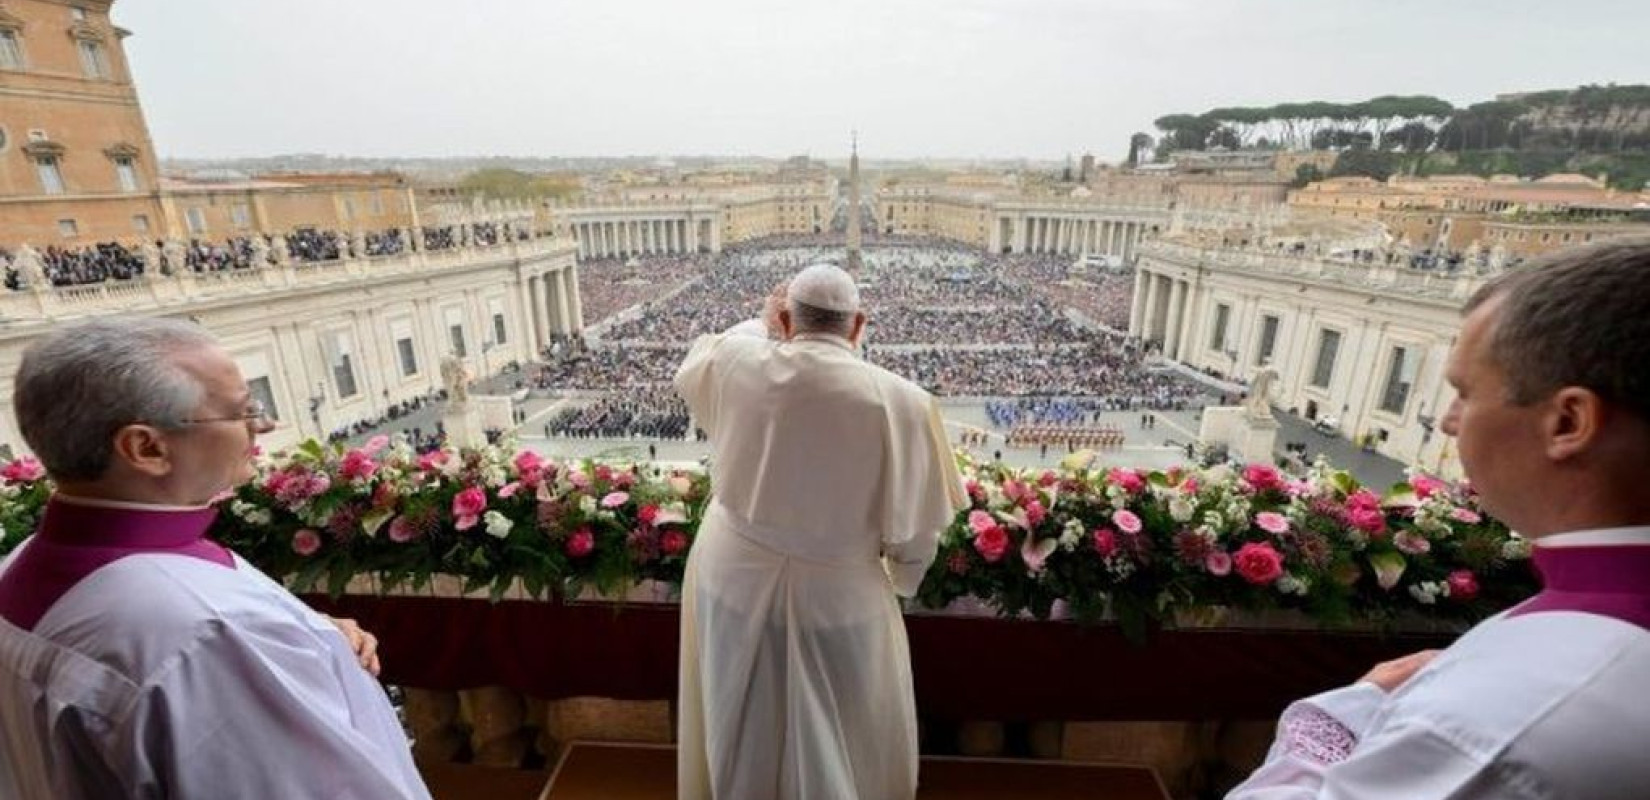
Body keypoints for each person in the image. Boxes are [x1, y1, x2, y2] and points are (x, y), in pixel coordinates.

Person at [1228, 237, 1650, 799]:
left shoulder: (1493, 721)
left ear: (1568, 422)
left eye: (1464, 393)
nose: (1448, 422)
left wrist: (1348, 712)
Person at [0, 317, 432, 800]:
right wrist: (263, 644)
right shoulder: (210, 635)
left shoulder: (16, 567)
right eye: (243, 411)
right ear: (147, 448)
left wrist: (309, 639)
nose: (263, 425)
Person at [674, 264, 966, 800]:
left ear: (785, 321)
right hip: (839, 595)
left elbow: (706, 356)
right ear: (859, 325)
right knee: (841, 735)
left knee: (738, 723)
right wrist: (902, 582)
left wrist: (764, 323)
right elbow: (916, 540)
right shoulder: (904, 402)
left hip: (731, 578)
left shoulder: (739, 360)